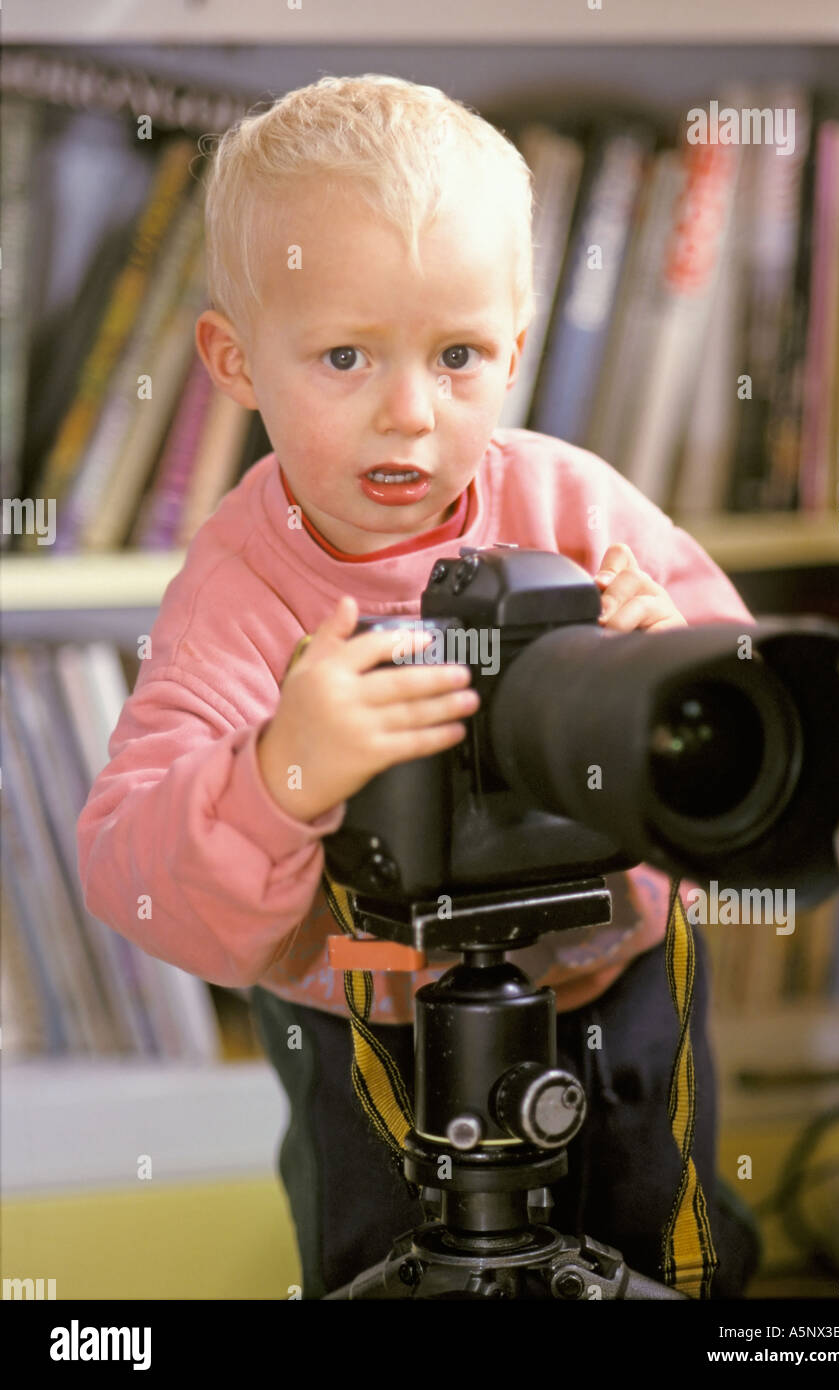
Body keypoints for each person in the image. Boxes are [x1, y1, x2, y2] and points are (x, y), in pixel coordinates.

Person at [77, 73, 760, 1300]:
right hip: (368, 1029)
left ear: (516, 338)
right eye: (344, 354)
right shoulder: (239, 592)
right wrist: (284, 772)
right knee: (383, 1264)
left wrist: (679, 678)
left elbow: (759, 738)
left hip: (615, 988)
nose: (408, 414)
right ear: (233, 360)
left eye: (458, 356)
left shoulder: (573, 503)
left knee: (669, 1242)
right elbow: (131, 870)